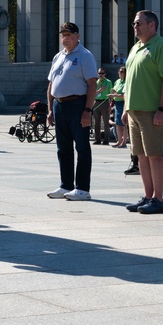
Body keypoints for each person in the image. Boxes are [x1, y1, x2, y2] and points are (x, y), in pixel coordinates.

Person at [122, 10, 163, 215]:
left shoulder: (161, 46)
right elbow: (129, 80)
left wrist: (162, 109)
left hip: (153, 111)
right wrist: (127, 108)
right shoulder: (136, 47)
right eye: (134, 23)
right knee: (141, 156)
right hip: (135, 110)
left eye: (139, 23)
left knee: (154, 155)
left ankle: (158, 199)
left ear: (152, 25)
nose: (135, 26)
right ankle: (147, 196)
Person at [45, 21, 98, 201]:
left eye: (69, 35)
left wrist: (88, 110)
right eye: (63, 35)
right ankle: (66, 185)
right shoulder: (58, 57)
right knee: (63, 148)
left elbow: (92, 84)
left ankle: (82, 188)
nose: (65, 38)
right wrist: (50, 109)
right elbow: (51, 84)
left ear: (77, 37)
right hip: (60, 105)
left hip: (77, 104)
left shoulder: (85, 55)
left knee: (82, 147)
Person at [93, 68, 112, 144]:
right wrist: (100, 91)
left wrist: (110, 105)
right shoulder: (95, 83)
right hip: (96, 102)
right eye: (99, 73)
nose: (101, 75)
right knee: (96, 122)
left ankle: (106, 139)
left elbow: (111, 95)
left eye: (102, 73)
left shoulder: (108, 82)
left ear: (105, 74)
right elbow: (93, 93)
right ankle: (97, 139)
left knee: (105, 122)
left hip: (105, 102)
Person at [109, 66, 128, 147]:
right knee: (117, 123)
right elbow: (116, 92)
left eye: (122, 72)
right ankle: (119, 140)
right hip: (117, 103)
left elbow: (125, 95)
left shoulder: (126, 82)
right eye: (119, 71)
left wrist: (114, 94)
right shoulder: (117, 81)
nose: (120, 73)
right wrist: (113, 92)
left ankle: (124, 142)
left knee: (123, 124)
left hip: (123, 103)